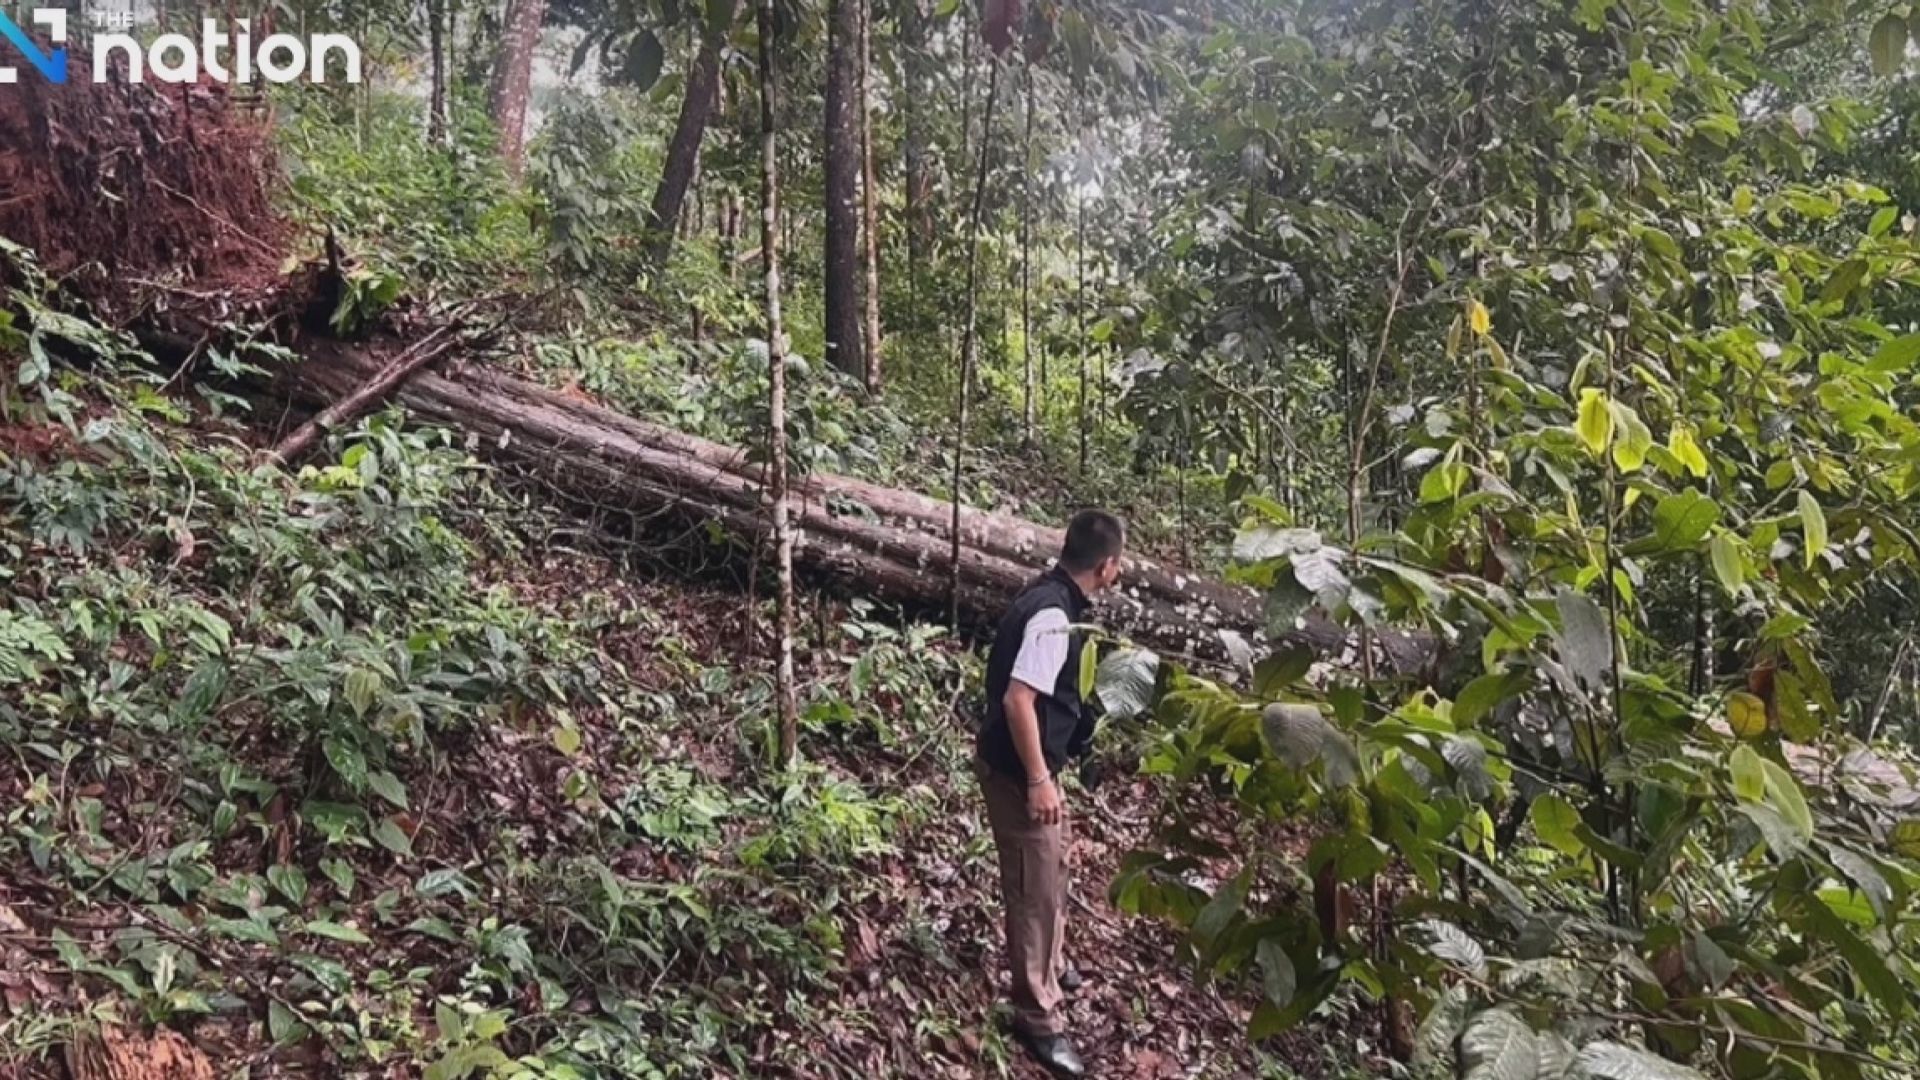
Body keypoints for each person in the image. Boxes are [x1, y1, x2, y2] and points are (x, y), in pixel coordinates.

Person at [974, 509, 1126, 1078]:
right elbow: (1019, 700)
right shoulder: (1051, 617)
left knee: (1055, 867)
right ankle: (1037, 1017)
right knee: (1033, 890)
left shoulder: (1055, 596)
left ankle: (1053, 963)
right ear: (1107, 566)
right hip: (1019, 773)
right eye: (1120, 563)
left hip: (1037, 765)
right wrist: (1038, 779)